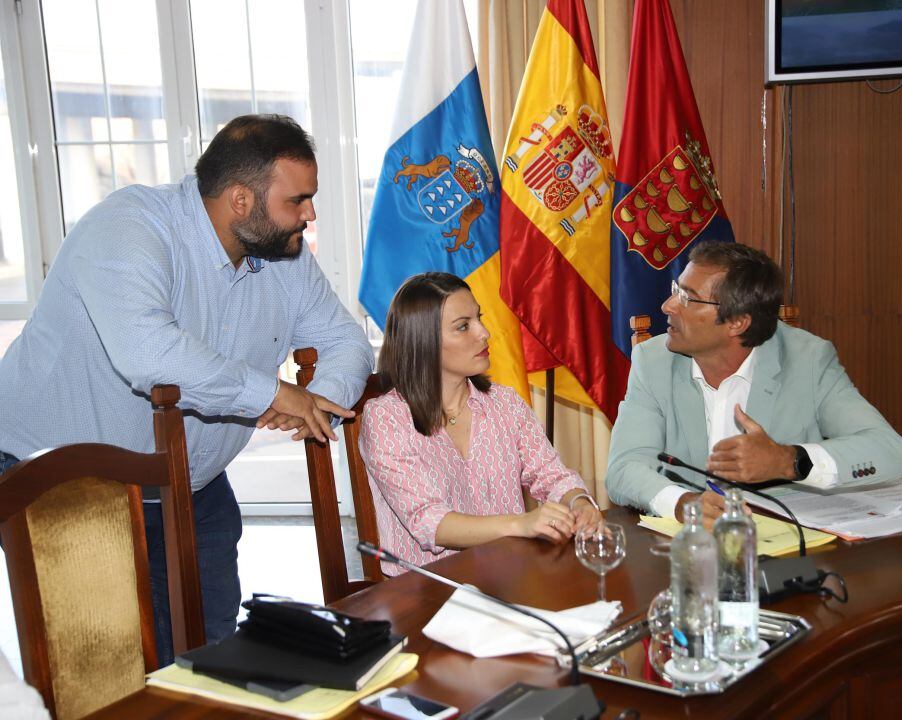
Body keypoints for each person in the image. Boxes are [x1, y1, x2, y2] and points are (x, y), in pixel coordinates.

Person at [0, 114, 373, 664]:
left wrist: (317, 402)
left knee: (211, 659)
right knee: (104, 670)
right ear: (240, 201)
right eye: (297, 200)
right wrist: (274, 394)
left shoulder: (283, 256)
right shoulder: (130, 225)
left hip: (191, 484)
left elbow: (348, 341)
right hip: (66, 478)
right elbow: (149, 353)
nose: (310, 214)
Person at [606, 241, 902, 527]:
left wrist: (787, 460)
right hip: (688, 549)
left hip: (784, 544)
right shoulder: (653, 361)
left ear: (737, 322)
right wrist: (685, 503)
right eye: (676, 289)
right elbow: (624, 468)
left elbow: (893, 453)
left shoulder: (807, 360)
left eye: (686, 297)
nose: (668, 305)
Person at [359, 272, 601, 576]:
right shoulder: (386, 418)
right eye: (463, 326)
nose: (484, 333)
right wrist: (520, 523)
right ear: (423, 341)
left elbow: (551, 474)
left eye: (479, 319)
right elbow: (428, 521)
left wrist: (580, 502)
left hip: (508, 576)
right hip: (426, 591)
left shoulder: (505, 403)